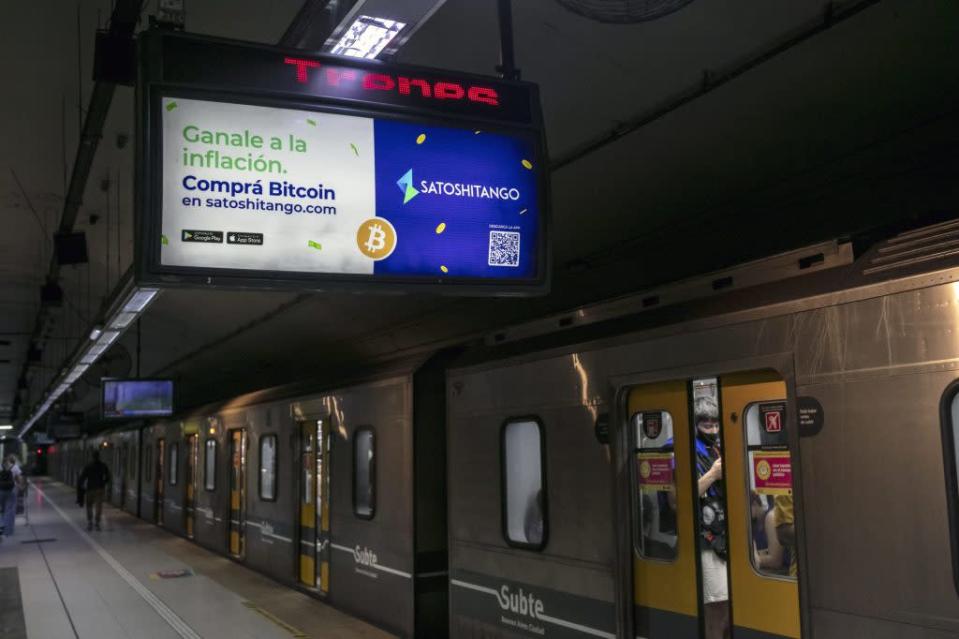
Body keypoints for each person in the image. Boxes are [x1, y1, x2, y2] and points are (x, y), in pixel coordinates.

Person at [694, 396, 730, 639]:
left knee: (729, 606)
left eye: (716, 424)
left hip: (728, 532)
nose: (713, 430)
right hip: (707, 536)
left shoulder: (720, 445)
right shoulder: (684, 447)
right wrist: (713, 474)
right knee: (716, 606)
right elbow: (684, 497)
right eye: (707, 425)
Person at [78, 450, 111, 531]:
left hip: (90, 489)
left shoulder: (88, 466)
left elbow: (82, 477)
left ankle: (90, 521)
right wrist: (104, 483)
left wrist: (81, 486)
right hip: (100, 488)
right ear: (98, 456)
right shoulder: (103, 466)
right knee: (98, 506)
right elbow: (108, 477)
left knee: (89, 505)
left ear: (92, 457)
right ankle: (97, 522)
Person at [0, 455, 22, 540]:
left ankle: (1, 526)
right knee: (10, 510)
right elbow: (19, 479)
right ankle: (8, 531)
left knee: (1, 509)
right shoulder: (15, 467)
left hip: (1, 490)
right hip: (11, 491)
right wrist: (20, 487)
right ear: (11, 461)